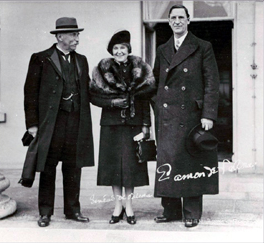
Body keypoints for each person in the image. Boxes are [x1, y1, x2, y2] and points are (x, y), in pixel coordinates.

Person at [152, 5, 220, 228]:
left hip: (192, 115)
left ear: (189, 20)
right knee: (168, 161)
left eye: (181, 17)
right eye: (173, 18)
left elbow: (211, 83)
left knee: (191, 162)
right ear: (169, 22)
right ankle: (170, 210)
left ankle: (191, 212)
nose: (177, 21)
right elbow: (155, 83)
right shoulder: (162, 48)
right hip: (167, 116)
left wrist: (208, 114)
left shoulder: (202, 47)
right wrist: (156, 107)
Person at [23, 17, 94, 227]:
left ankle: (73, 210)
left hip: (75, 123)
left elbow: (88, 90)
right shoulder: (40, 58)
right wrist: (33, 124)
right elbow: (30, 94)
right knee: (47, 167)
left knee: (73, 168)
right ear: (59, 36)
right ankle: (45, 212)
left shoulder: (81, 60)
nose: (77, 38)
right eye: (73, 34)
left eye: (77, 34)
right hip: (50, 123)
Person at [89, 30, 156, 225]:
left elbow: (145, 98)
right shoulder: (102, 70)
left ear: (128, 49)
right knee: (113, 167)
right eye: (116, 48)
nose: (119, 51)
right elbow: (94, 96)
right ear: (112, 51)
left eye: (123, 48)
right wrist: (113, 103)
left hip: (133, 125)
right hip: (111, 125)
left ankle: (129, 205)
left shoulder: (140, 68)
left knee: (131, 167)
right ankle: (118, 206)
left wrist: (146, 126)